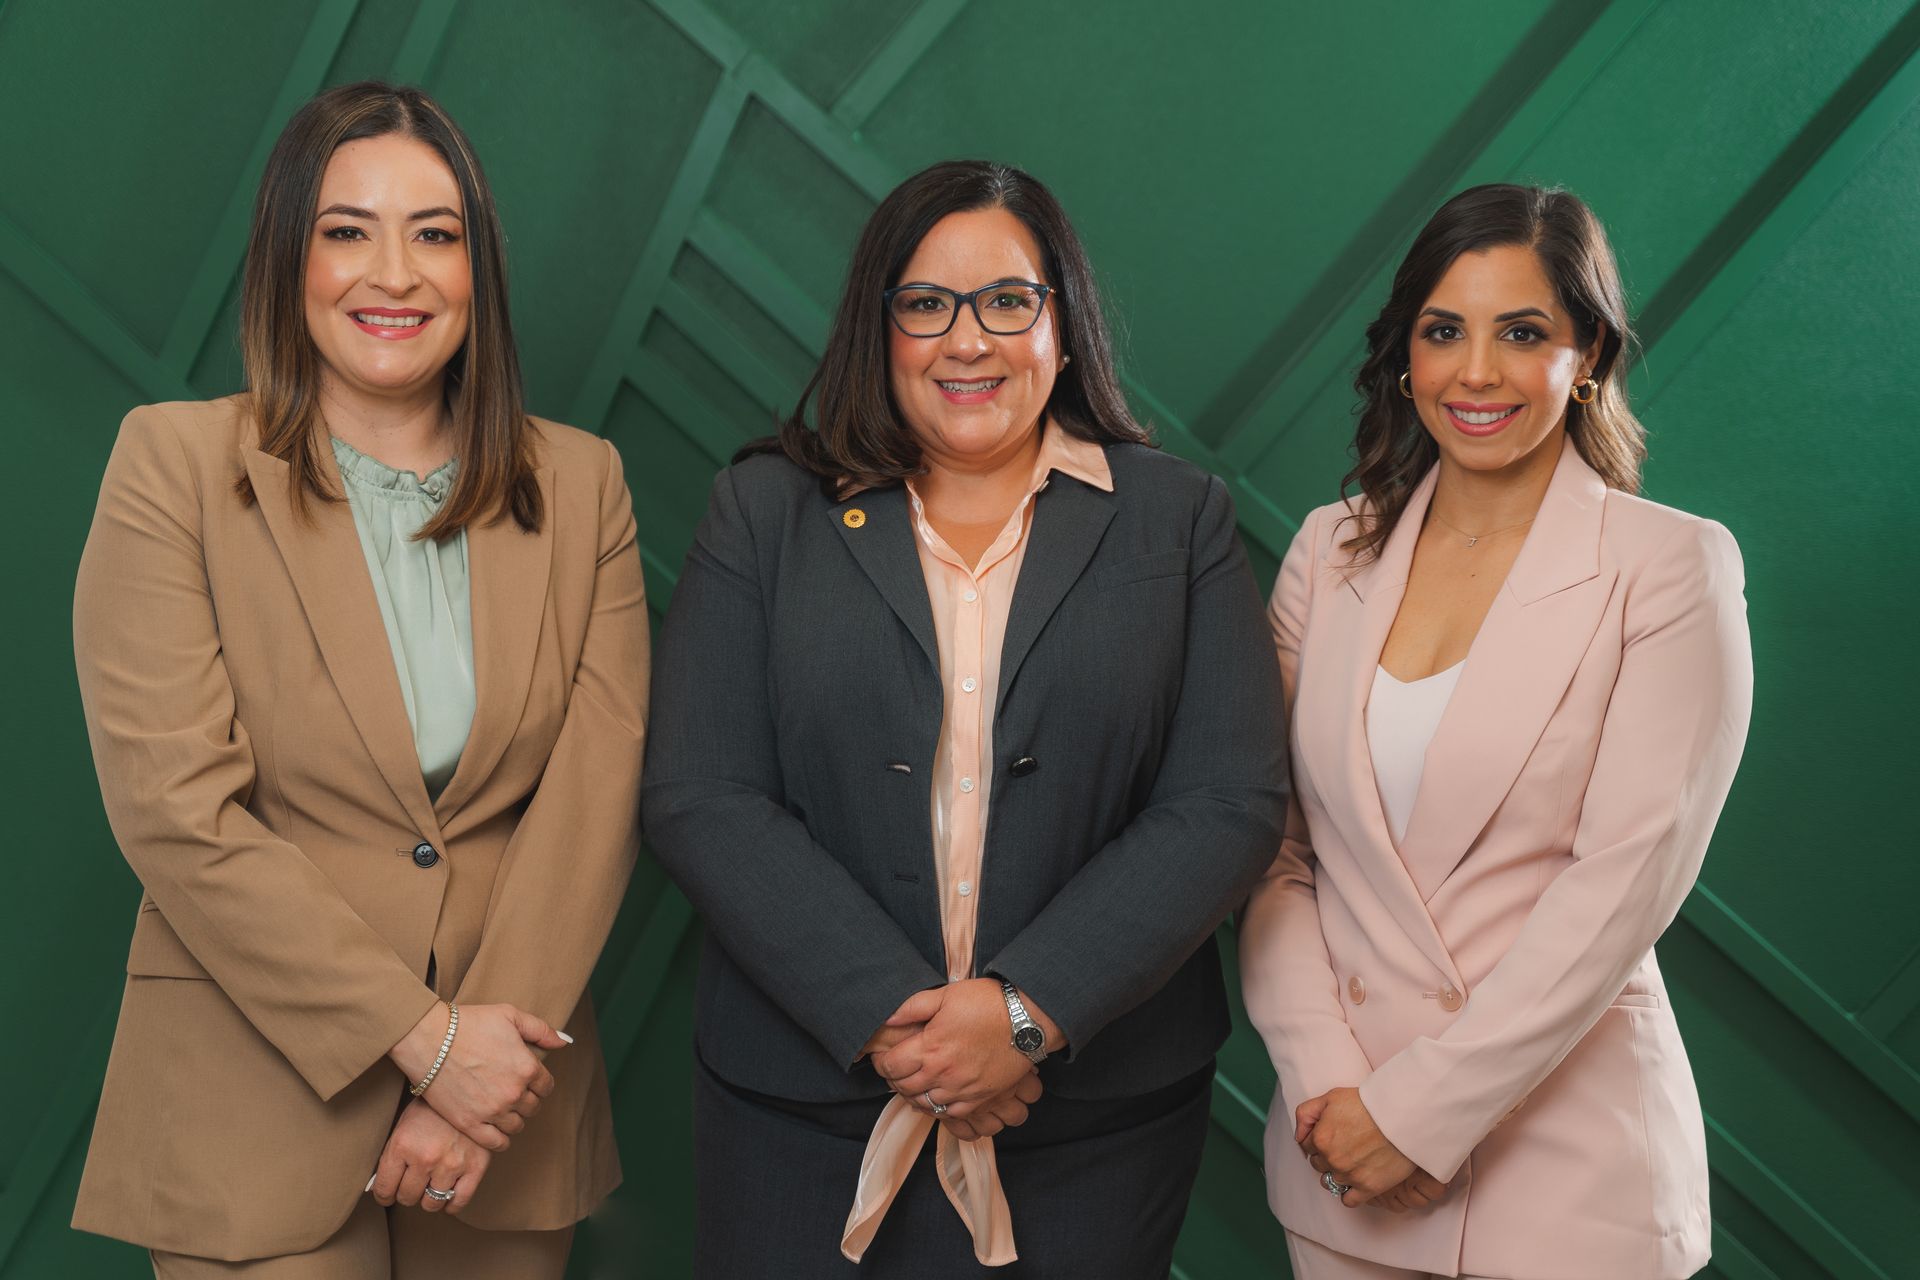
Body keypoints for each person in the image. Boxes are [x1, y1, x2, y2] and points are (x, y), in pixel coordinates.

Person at [642, 159, 1288, 1277]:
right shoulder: (763, 510)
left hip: (1090, 1125)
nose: (968, 340)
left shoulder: (1177, 519)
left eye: (1007, 301)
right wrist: (900, 1020)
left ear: (1064, 323)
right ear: (879, 328)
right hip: (802, 1110)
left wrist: (1026, 1013)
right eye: (926, 304)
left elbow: (1227, 801)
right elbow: (701, 788)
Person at [70, 81, 648, 1278]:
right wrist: (424, 1040)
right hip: (255, 1091)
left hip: (506, 1111)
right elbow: (178, 812)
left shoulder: (585, 483)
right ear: (289, 259)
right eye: (347, 231)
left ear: (477, 270)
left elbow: (596, 795)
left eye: (435, 234)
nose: (395, 273)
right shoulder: (170, 464)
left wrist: (478, 1072)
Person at [1238, 183, 1753, 1279]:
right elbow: (1272, 852)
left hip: (1572, 1181)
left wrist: (1423, 1112)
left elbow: (1622, 884)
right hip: (1342, 1164)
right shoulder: (1329, 554)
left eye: (1523, 332)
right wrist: (1336, 1095)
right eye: (1443, 331)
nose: (1477, 372)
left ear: (1591, 353)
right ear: (1405, 354)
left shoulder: (1670, 566)